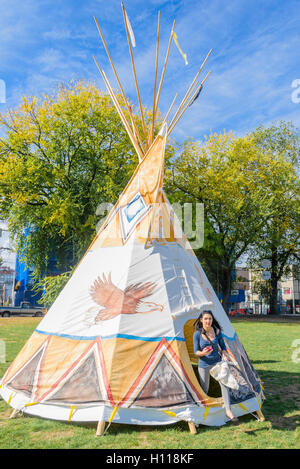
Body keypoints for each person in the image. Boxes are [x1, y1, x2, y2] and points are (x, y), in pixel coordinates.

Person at [193, 310, 238, 422]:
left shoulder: (217, 332)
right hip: (204, 364)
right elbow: (196, 352)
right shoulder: (197, 334)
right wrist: (203, 353)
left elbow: (222, 346)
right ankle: (202, 412)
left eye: (210, 319)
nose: (208, 321)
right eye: (206, 319)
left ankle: (228, 411)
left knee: (224, 383)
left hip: (217, 363)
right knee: (205, 388)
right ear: (201, 320)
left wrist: (224, 353)